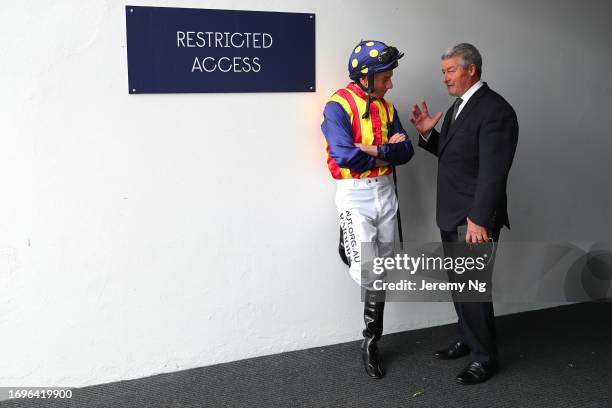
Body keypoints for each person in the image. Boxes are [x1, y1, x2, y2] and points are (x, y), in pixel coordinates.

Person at [410, 43, 518, 384]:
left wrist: (479, 218)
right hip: (452, 212)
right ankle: (469, 338)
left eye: (451, 70)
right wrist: (428, 132)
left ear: (471, 69)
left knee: (472, 286)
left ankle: (484, 358)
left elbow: (493, 171)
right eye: (443, 72)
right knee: (460, 284)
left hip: (473, 217)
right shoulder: (460, 107)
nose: (445, 78)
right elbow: (455, 153)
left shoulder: (495, 110)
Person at [320, 40, 414, 379]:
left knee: (383, 268)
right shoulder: (338, 106)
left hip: (386, 191)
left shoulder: (388, 109)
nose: (390, 84)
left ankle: (371, 340)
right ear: (365, 77)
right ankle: (348, 244)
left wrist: (371, 148)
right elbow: (344, 155)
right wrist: (386, 149)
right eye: (385, 78)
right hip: (354, 193)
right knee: (367, 269)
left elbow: (407, 154)